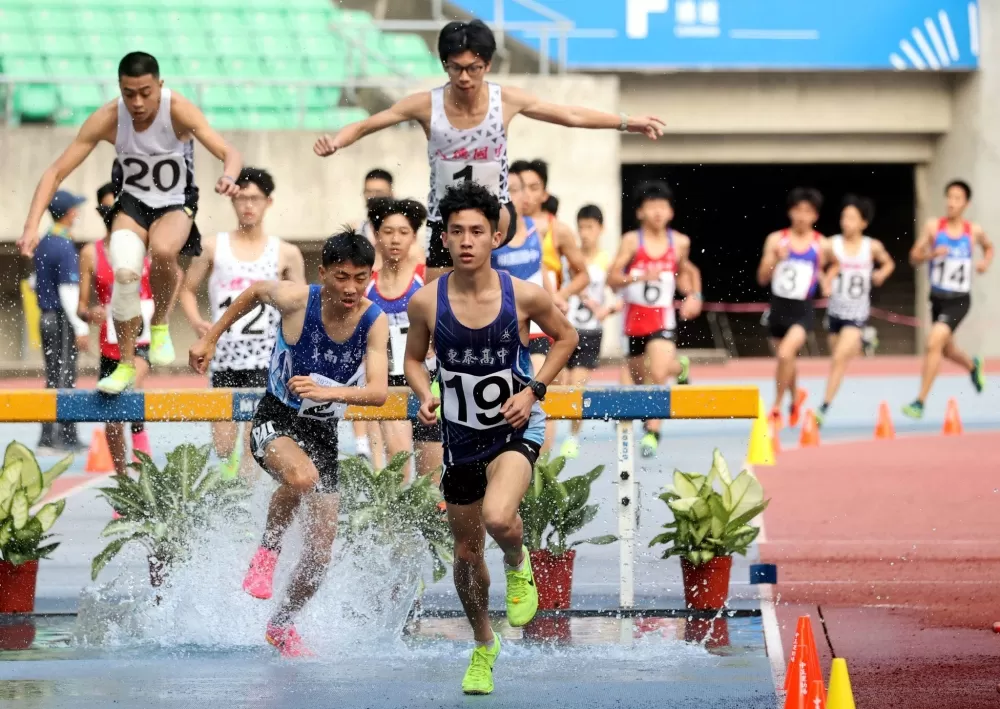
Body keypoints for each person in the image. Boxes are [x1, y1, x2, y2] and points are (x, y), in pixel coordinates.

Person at [313, 19, 664, 283]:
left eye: (474, 68)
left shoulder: (504, 100)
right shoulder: (426, 105)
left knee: (482, 234)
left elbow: (569, 114)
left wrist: (625, 121)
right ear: (444, 65)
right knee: (439, 299)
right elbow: (366, 124)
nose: (465, 77)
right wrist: (336, 141)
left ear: (488, 65)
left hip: (497, 213)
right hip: (443, 218)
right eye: (456, 68)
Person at [403, 182, 577, 695]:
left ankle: (519, 564)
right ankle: (483, 645)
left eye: (477, 230)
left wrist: (535, 392)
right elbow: (414, 359)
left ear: (495, 236)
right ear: (445, 238)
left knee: (500, 517)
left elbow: (566, 337)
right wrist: (424, 393)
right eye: (456, 231)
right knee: (464, 551)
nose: (466, 240)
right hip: (460, 440)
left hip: (514, 430)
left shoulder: (522, 294)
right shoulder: (426, 302)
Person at [189, 231, 389, 658]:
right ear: (323, 274)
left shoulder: (374, 321)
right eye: (341, 277)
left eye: (360, 278)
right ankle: (267, 549)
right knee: (300, 477)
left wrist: (328, 391)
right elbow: (256, 291)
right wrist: (211, 338)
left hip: (323, 433)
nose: (351, 289)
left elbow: (376, 393)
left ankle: (280, 625)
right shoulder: (298, 300)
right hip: (274, 420)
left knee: (320, 556)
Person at [18, 51, 242, 395]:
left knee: (165, 251)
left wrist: (229, 176)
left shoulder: (177, 109)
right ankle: (125, 363)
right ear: (119, 89)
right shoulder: (108, 118)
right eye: (128, 93)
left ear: (159, 85)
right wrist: (32, 225)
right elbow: (56, 171)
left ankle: (161, 324)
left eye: (145, 92)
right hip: (133, 203)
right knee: (124, 272)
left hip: (175, 201)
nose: (137, 102)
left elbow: (230, 152)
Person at [179, 167, 306, 480]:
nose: (248, 205)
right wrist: (197, 322)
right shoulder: (212, 246)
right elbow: (187, 290)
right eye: (242, 198)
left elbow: (302, 306)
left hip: (266, 361)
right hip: (224, 358)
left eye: (255, 199)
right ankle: (229, 494)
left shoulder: (286, 253)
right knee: (223, 445)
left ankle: (248, 505)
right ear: (232, 200)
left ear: (268, 202)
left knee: (255, 442)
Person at [608, 182, 702, 458]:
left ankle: (653, 430)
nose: (658, 212)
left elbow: (687, 272)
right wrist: (637, 276)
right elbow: (612, 279)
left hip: (663, 321)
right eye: (652, 206)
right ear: (640, 212)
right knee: (641, 377)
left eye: (663, 206)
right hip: (634, 322)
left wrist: (694, 296)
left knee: (657, 372)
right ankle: (680, 368)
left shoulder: (680, 242)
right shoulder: (631, 241)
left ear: (671, 212)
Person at [506, 159, 590, 452]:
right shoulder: (497, 229)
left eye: (533, 188)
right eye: (519, 188)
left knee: (539, 390)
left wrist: (559, 295)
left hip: (542, 323)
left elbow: (583, 274)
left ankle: (541, 461)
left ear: (544, 193)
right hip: (507, 325)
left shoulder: (557, 230)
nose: (525, 195)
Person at [78, 183, 160, 472]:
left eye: (119, 208)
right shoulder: (91, 252)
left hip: (140, 342)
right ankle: (122, 480)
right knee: (112, 421)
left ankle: (142, 455)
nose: (112, 215)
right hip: (108, 346)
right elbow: (81, 307)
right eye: (106, 209)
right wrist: (92, 314)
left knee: (129, 394)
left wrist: (160, 318)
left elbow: (166, 279)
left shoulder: (148, 246)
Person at [363, 197, 443, 482]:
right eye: (388, 231)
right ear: (375, 235)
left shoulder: (427, 276)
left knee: (430, 480)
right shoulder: (366, 283)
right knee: (400, 469)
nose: (395, 239)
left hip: (429, 385)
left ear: (414, 236)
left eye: (403, 232)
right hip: (390, 384)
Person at [902, 180, 992, 419]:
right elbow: (913, 257)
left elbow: (989, 247)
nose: (951, 203)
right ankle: (973, 366)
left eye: (957, 199)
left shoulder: (973, 231)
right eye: (949, 197)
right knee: (946, 349)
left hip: (960, 299)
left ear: (966, 203)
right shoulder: (934, 227)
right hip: (938, 298)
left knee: (933, 342)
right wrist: (931, 254)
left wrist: (984, 262)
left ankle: (919, 402)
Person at [757, 188, 838, 428]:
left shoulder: (821, 244)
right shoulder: (775, 240)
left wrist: (827, 279)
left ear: (815, 216)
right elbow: (762, 277)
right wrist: (775, 259)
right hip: (778, 307)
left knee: (785, 355)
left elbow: (836, 265)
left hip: (802, 309)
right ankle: (795, 400)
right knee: (786, 360)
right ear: (790, 211)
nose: (802, 216)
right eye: (798, 210)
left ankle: (776, 407)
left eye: (808, 212)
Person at [815, 196, 895, 427]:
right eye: (843, 217)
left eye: (851, 218)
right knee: (838, 355)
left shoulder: (872, 246)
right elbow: (817, 267)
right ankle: (866, 341)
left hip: (857, 314)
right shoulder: (831, 245)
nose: (845, 222)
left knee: (839, 358)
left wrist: (882, 274)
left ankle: (824, 406)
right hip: (835, 312)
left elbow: (889, 263)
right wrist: (825, 282)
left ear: (863, 223)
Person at [32, 190, 91, 455]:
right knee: (65, 378)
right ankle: (60, 437)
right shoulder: (64, 246)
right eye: (74, 210)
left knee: (54, 377)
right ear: (67, 214)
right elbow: (68, 291)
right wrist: (80, 325)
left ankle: (54, 436)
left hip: (46, 318)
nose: (77, 214)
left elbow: (35, 282)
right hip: (60, 320)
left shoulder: (45, 242)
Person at [560, 205, 620, 459]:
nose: (585, 234)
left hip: (590, 332)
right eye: (581, 227)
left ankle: (573, 437)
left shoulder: (607, 261)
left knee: (577, 386)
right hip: (564, 330)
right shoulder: (568, 259)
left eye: (590, 228)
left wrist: (609, 309)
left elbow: (620, 297)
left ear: (601, 229)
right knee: (559, 385)